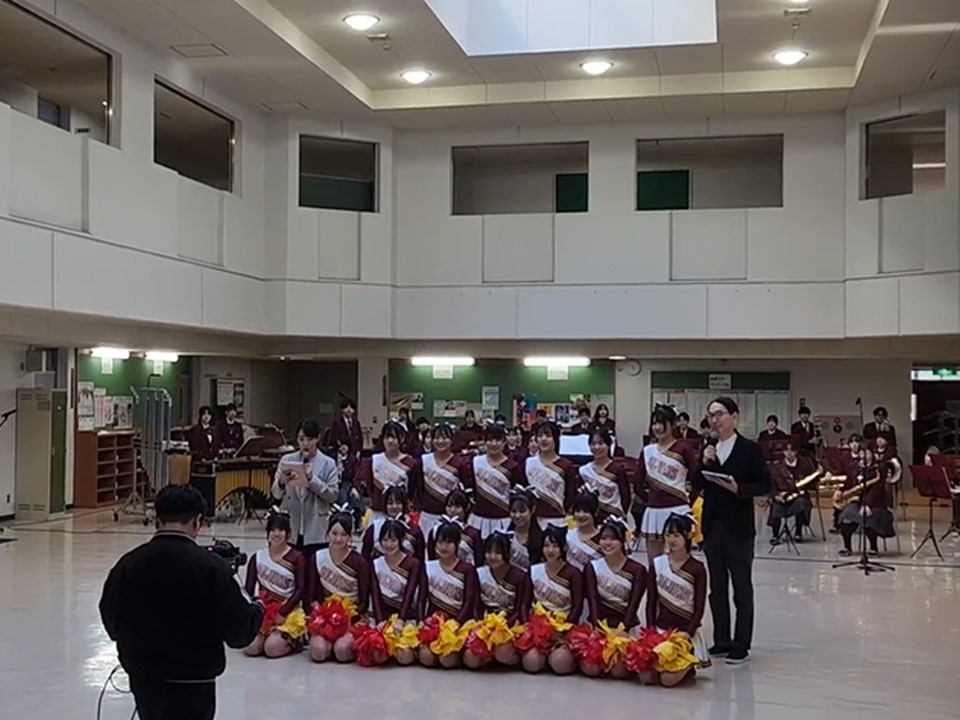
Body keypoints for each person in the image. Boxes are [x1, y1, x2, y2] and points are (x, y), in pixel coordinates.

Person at [99, 485, 263, 720]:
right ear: (197, 521)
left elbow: (110, 616)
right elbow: (239, 632)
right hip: (194, 682)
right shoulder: (212, 568)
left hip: (145, 678)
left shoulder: (128, 564)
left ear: (157, 520)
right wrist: (257, 608)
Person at [697, 396, 771, 665]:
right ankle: (722, 639)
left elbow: (765, 484)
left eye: (720, 414)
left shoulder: (749, 449)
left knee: (741, 588)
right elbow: (696, 482)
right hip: (713, 526)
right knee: (717, 587)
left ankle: (741, 643)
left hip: (738, 528)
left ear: (734, 416)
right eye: (711, 415)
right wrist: (703, 462)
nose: (715, 420)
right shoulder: (709, 448)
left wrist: (740, 488)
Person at [645, 514, 710, 687]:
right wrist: (651, 631)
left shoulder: (697, 568)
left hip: (684, 633)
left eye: (676, 535)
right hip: (661, 631)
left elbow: (699, 608)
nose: (671, 540)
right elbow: (651, 602)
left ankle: (688, 664)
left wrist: (688, 632)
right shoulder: (657, 564)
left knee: (667, 680)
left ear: (687, 535)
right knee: (646, 677)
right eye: (668, 535)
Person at [635, 405, 700, 559]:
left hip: (679, 510)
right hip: (654, 511)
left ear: (673, 424)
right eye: (654, 423)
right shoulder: (647, 451)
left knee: (680, 561)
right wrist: (650, 500)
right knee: (654, 563)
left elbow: (697, 480)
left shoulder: (684, 448)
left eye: (662, 423)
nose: (657, 427)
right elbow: (638, 484)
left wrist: (687, 502)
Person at [307, 508, 370, 663]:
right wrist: (320, 615)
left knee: (342, 651)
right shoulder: (318, 557)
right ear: (327, 534)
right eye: (334, 533)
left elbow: (364, 601)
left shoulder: (359, 562)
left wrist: (349, 618)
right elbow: (311, 595)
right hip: (325, 617)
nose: (338, 538)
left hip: (351, 618)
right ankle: (329, 645)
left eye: (343, 535)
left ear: (350, 537)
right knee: (318, 652)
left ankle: (340, 645)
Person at [519, 527, 583, 675]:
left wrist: (562, 631)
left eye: (555, 546)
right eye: (546, 546)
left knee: (560, 664)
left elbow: (577, 606)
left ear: (564, 547)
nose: (550, 550)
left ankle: (560, 657)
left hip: (563, 629)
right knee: (531, 663)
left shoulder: (573, 574)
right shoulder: (534, 571)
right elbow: (524, 603)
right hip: (538, 629)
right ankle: (544, 657)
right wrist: (528, 627)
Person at [271, 419, 340, 556]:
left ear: (317, 438)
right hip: (291, 527)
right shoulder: (287, 460)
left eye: (310, 439)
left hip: (317, 529)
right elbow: (276, 494)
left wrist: (312, 480)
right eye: (301, 439)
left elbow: (333, 495)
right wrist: (281, 482)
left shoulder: (328, 463)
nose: (305, 444)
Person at [243, 511, 307, 659]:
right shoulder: (257, 557)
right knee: (251, 648)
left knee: (271, 649)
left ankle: (295, 640)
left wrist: (283, 612)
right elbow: (248, 590)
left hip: (287, 611)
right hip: (264, 610)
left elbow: (301, 589)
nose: (276, 534)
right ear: (267, 534)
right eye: (272, 530)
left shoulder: (297, 558)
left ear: (288, 534)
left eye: (280, 530)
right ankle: (266, 635)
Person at [418, 519, 480, 668]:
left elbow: (469, 601)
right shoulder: (428, 567)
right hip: (435, 624)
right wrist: (421, 620)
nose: (443, 547)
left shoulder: (467, 569)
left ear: (457, 544)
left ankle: (460, 653)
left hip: (457, 625)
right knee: (426, 658)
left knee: (447, 660)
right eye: (440, 542)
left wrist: (457, 623)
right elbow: (421, 598)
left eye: (448, 542)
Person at [467, 532, 527, 669]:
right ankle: (490, 656)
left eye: (498, 552)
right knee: (470, 659)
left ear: (507, 553)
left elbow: (519, 609)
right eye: (489, 551)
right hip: (485, 626)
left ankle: (512, 655)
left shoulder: (520, 576)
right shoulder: (479, 573)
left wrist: (504, 627)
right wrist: (480, 624)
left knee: (503, 653)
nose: (492, 556)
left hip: (509, 627)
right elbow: (476, 605)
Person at [835, 446, 895, 556]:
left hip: (876, 503)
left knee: (869, 516)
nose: (863, 456)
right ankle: (847, 547)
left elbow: (878, 489)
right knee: (846, 515)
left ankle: (873, 547)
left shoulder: (879, 468)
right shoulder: (855, 467)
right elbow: (849, 482)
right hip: (857, 500)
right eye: (861, 453)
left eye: (866, 453)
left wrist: (867, 504)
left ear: (872, 454)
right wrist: (840, 491)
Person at [355, 423, 422, 522]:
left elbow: (413, 491)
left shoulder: (411, 464)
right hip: (377, 514)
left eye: (394, 437)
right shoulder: (373, 461)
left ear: (402, 438)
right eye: (387, 437)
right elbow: (362, 485)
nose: (390, 441)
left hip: (400, 516)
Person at [467, 425, 523, 537]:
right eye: (490, 440)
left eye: (497, 440)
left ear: (504, 441)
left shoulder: (513, 467)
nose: (493, 444)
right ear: (485, 441)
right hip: (478, 519)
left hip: (504, 520)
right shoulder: (475, 462)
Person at [416, 424, 470, 534]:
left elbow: (465, 491)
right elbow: (419, 488)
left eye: (444, 438)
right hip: (428, 516)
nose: (440, 441)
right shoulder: (423, 461)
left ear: (452, 440)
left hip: (452, 518)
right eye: (436, 438)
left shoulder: (460, 463)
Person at [525, 422, 578, 530]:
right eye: (540, 435)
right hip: (533, 521)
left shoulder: (566, 466)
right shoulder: (528, 463)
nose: (543, 439)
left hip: (558, 520)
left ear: (555, 438)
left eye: (548, 435)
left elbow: (570, 495)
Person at [370, 517, 422, 626]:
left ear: (401, 540)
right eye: (385, 540)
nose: (389, 545)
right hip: (383, 619)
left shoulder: (413, 564)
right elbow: (375, 595)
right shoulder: (375, 564)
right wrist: (379, 621)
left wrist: (401, 620)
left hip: (407, 618)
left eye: (393, 540)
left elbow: (409, 593)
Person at [767, 440, 816, 544]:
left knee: (802, 503)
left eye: (791, 450)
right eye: (786, 450)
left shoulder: (805, 463)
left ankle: (798, 532)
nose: (789, 453)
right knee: (776, 504)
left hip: (799, 494)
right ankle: (775, 535)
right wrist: (775, 495)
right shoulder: (778, 465)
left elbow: (813, 481)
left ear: (796, 452)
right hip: (782, 494)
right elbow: (772, 483)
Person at [361, 485, 425, 562]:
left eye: (398, 503)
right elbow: (365, 558)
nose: (394, 507)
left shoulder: (414, 530)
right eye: (390, 503)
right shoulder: (375, 528)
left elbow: (420, 561)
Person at [579, 428, 631, 521]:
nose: (597, 447)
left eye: (601, 443)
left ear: (609, 445)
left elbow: (626, 496)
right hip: (591, 519)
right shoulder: (584, 471)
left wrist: (620, 516)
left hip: (613, 518)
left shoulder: (617, 470)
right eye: (593, 444)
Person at [426, 489, 483, 566]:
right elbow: (431, 558)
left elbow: (479, 562)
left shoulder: (473, 534)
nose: (452, 510)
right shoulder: (436, 531)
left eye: (457, 506)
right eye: (449, 506)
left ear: (467, 507)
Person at [565, 490, 604, 574]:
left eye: (586, 511)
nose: (581, 515)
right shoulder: (567, 535)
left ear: (595, 513)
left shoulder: (602, 539)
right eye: (577, 511)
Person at [507, 487, 542, 571]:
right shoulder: (505, 536)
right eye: (514, 511)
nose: (517, 516)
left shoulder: (541, 539)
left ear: (532, 510)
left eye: (522, 511)